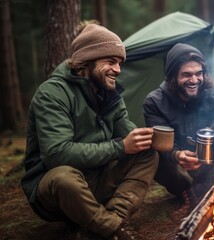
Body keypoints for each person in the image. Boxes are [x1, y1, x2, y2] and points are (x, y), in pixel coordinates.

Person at [21, 20, 159, 240]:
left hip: (96, 180)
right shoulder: (52, 93)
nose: (118, 69)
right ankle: (113, 229)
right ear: (87, 61)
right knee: (64, 176)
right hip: (57, 191)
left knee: (147, 153)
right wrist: (120, 147)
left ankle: (109, 221)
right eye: (111, 61)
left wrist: (168, 148)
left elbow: (130, 135)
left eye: (120, 63)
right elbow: (57, 154)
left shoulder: (110, 94)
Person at [143, 43, 214, 217]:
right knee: (151, 150)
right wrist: (177, 155)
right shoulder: (154, 102)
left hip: (212, 164)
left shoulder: (211, 92)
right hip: (180, 168)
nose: (195, 80)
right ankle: (188, 194)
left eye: (199, 73)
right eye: (187, 75)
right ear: (172, 76)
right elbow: (160, 141)